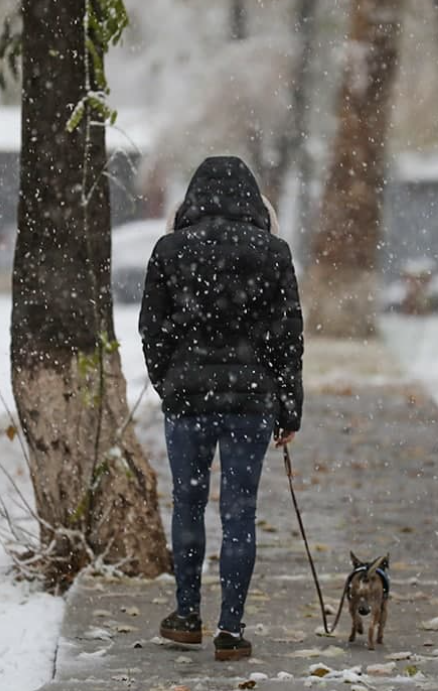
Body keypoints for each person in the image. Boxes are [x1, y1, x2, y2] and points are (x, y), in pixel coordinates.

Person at [139, 156, 304, 662]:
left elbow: (152, 329)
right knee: (239, 513)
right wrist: (288, 408)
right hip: (250, 402)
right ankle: (230, 629)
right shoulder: (274, 253)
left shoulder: (169, 250)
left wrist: (168, 384)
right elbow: (287, 338)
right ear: (253, 201)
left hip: (188, 401)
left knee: (187, 505)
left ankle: (187, 615)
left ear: (193, 199)